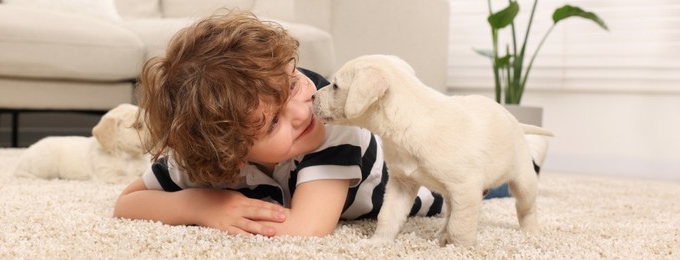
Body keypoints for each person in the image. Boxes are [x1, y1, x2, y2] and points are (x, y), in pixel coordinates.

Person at [113, 10, 545, 237]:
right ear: (223, 155)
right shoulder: (208, 148)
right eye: (272, 125)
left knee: (478, 182)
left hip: (411, 181)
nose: (301, 112)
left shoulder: (334, 123)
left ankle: (526, 155)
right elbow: (126, 203)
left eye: (293, 81)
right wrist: (198, 204)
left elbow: (306, 228)